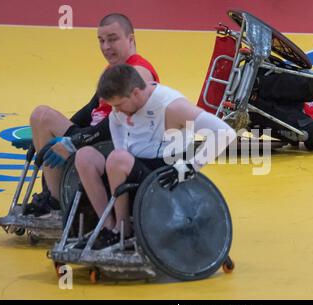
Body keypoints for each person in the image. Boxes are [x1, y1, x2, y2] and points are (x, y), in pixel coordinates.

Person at [74, 64, 236, 250]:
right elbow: (115, 122)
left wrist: (190, 167)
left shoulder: (171, 106)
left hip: (164, 176)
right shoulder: (123, 105)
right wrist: (119, 153)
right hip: (132, 170)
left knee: (117, 159)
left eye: (118, 105)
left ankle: (123, 230)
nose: (116, 111)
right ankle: (107, 227)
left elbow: (225, 132)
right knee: (84, 156)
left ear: (135, 93)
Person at [17, 13, 160, 216]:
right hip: (96, 134)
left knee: (43, 116)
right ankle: (53, 197)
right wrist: (43, 137)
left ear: (130, 38)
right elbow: (90, 109)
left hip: (113, 141)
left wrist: (76, 139)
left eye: (112, 39)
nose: (105, 47)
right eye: (101, 41)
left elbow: (119, 122)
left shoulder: (138, 72)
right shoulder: (112, 70)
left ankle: (57, 204)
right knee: (40, 118)